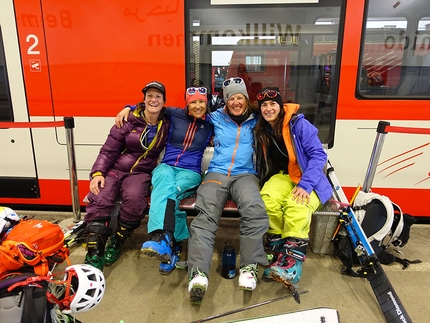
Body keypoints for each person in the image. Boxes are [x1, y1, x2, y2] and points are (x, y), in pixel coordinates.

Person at [187, 77, 269, 305]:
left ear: (246, 99)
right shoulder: (215, 118)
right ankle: (198, 274)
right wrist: (132, 108)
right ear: (225, 101)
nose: (235, 102)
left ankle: (249, 268)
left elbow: (281, 112)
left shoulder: (257, 120)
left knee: (254, 209)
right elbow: (186, 111)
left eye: (239, 97)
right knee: (205, 216)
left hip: (245, 175)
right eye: (231, 98)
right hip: (217, 174)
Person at [115, 87, 214, 275]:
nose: (198, 105)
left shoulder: (211, 122)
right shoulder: (175, 114)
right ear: (187, 103)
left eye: (201, 101)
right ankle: (169, 244)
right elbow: (150, 107)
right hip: (166, 166)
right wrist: (128, 107)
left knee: (168, 192)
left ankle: (165, 242)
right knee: (166, 187)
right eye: (193, 102)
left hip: (190, 172)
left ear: (206, 103)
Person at [83, 81, 170, 271]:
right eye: (149, 96)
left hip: (141, 173)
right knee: (101, 195)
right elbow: (108, 150)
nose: (153, 100)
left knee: (135, 199)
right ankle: (94, 252)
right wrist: (98, 172)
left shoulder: (166, 125)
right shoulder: (128, 121)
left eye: (158, 97)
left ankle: (118, 239)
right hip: (116, 169)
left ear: (164, 102)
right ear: (144, 100)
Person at [254, 86, 332, 291]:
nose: (268, 108)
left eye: (273, 104)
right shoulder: (264, 129)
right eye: (264, 105)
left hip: (308, 179)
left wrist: (306, 185)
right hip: (284, 176)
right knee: (266, 200)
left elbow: (318, 155)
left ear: (281, 106)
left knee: (296, 204)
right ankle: (278, 251)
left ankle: (292, 265)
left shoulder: (300, 125)